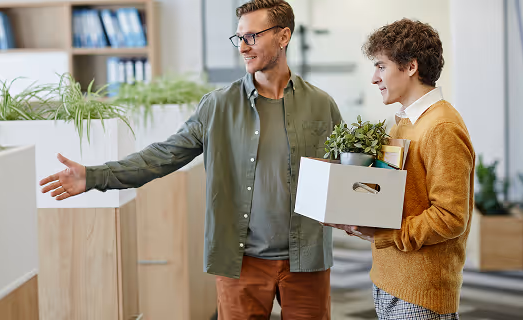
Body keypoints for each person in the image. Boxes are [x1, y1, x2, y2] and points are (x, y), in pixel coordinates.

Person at [40, 0, 341, 318]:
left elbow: (346, 172)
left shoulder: (322, 105)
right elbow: (163, 155)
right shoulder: (217, 107)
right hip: (241, 261)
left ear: (283, 36)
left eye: (251, 36)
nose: (242, 47)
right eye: (238, 38)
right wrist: (94, 176)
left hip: (306, 258)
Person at [327, 19, 475, 319]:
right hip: (390, 279)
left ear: (410, 67)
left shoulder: (442, 127)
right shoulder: (403, 123)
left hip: (421, 292)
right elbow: (399, 198)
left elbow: (451, 217)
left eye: (381, 66)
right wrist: (353, 212)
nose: (374, 78)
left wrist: (383, 232)